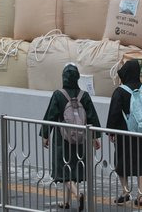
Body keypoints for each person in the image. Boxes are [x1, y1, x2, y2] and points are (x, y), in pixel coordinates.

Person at [40, 63, 102, 211]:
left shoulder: (58, 95)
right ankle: (66, 202)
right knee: (74, 167)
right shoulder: (84, 96)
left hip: (62, 139)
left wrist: (45, 134)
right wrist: (95, 137)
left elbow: (50, 116)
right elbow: (92, 117)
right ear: (77, 78)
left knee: (63, 171)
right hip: (81, 139)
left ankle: (77, 194)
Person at [106, 60, 142, 207]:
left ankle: (125, 192)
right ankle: (141, 196)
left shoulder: (120, 91)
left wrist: (111, 130)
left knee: (122, 162)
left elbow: (114, 112)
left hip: (124, 134)